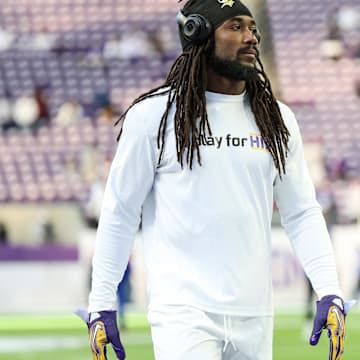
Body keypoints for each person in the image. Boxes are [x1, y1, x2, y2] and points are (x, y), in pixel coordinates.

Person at [77, 1, 355, 359]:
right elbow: (120, 213)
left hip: (255, 314)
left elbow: (301, 211)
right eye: (235, 27)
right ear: (200, 36)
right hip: (183, 313)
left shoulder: (277, 118)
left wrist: (329, 290)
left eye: (252, 28)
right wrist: (102, 303)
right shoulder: (153, 118)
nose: (251, 37)